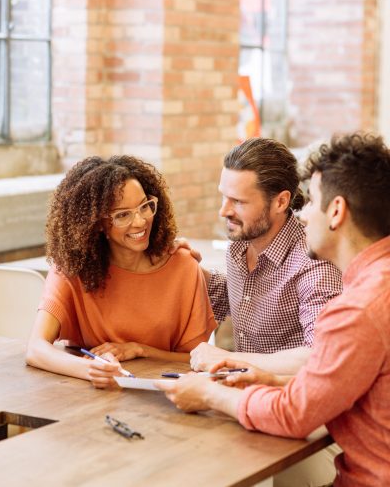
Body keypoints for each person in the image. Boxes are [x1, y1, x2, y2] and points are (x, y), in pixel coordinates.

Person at [157, 132, 390, 487]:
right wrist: (180, 268)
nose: (304, 213)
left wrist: (210, 391)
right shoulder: (376, 284)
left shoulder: (357, 307)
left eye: (311, 202)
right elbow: (338, 378)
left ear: (337, 211)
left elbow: (297, 409)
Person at [26, 155, 216, 388]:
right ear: (95, 224)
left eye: (145, 206)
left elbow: (198, 358)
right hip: (88, 396)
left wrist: (140, 350)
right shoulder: (72, 268)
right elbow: (36, 349)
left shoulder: (183, 266)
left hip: (164, 396)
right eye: (122, 215)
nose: (140, 222)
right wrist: (92, 370)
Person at [188, 137, 342, 375]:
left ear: (281, 201)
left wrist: (229, 359)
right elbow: (248, 299)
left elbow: (322, 354)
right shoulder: (240, 245)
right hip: (240, 395)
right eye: (224, 196)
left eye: (238, 201)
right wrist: (184, 267)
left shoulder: (314, 264)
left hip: (287, 403)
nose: (223, 211)